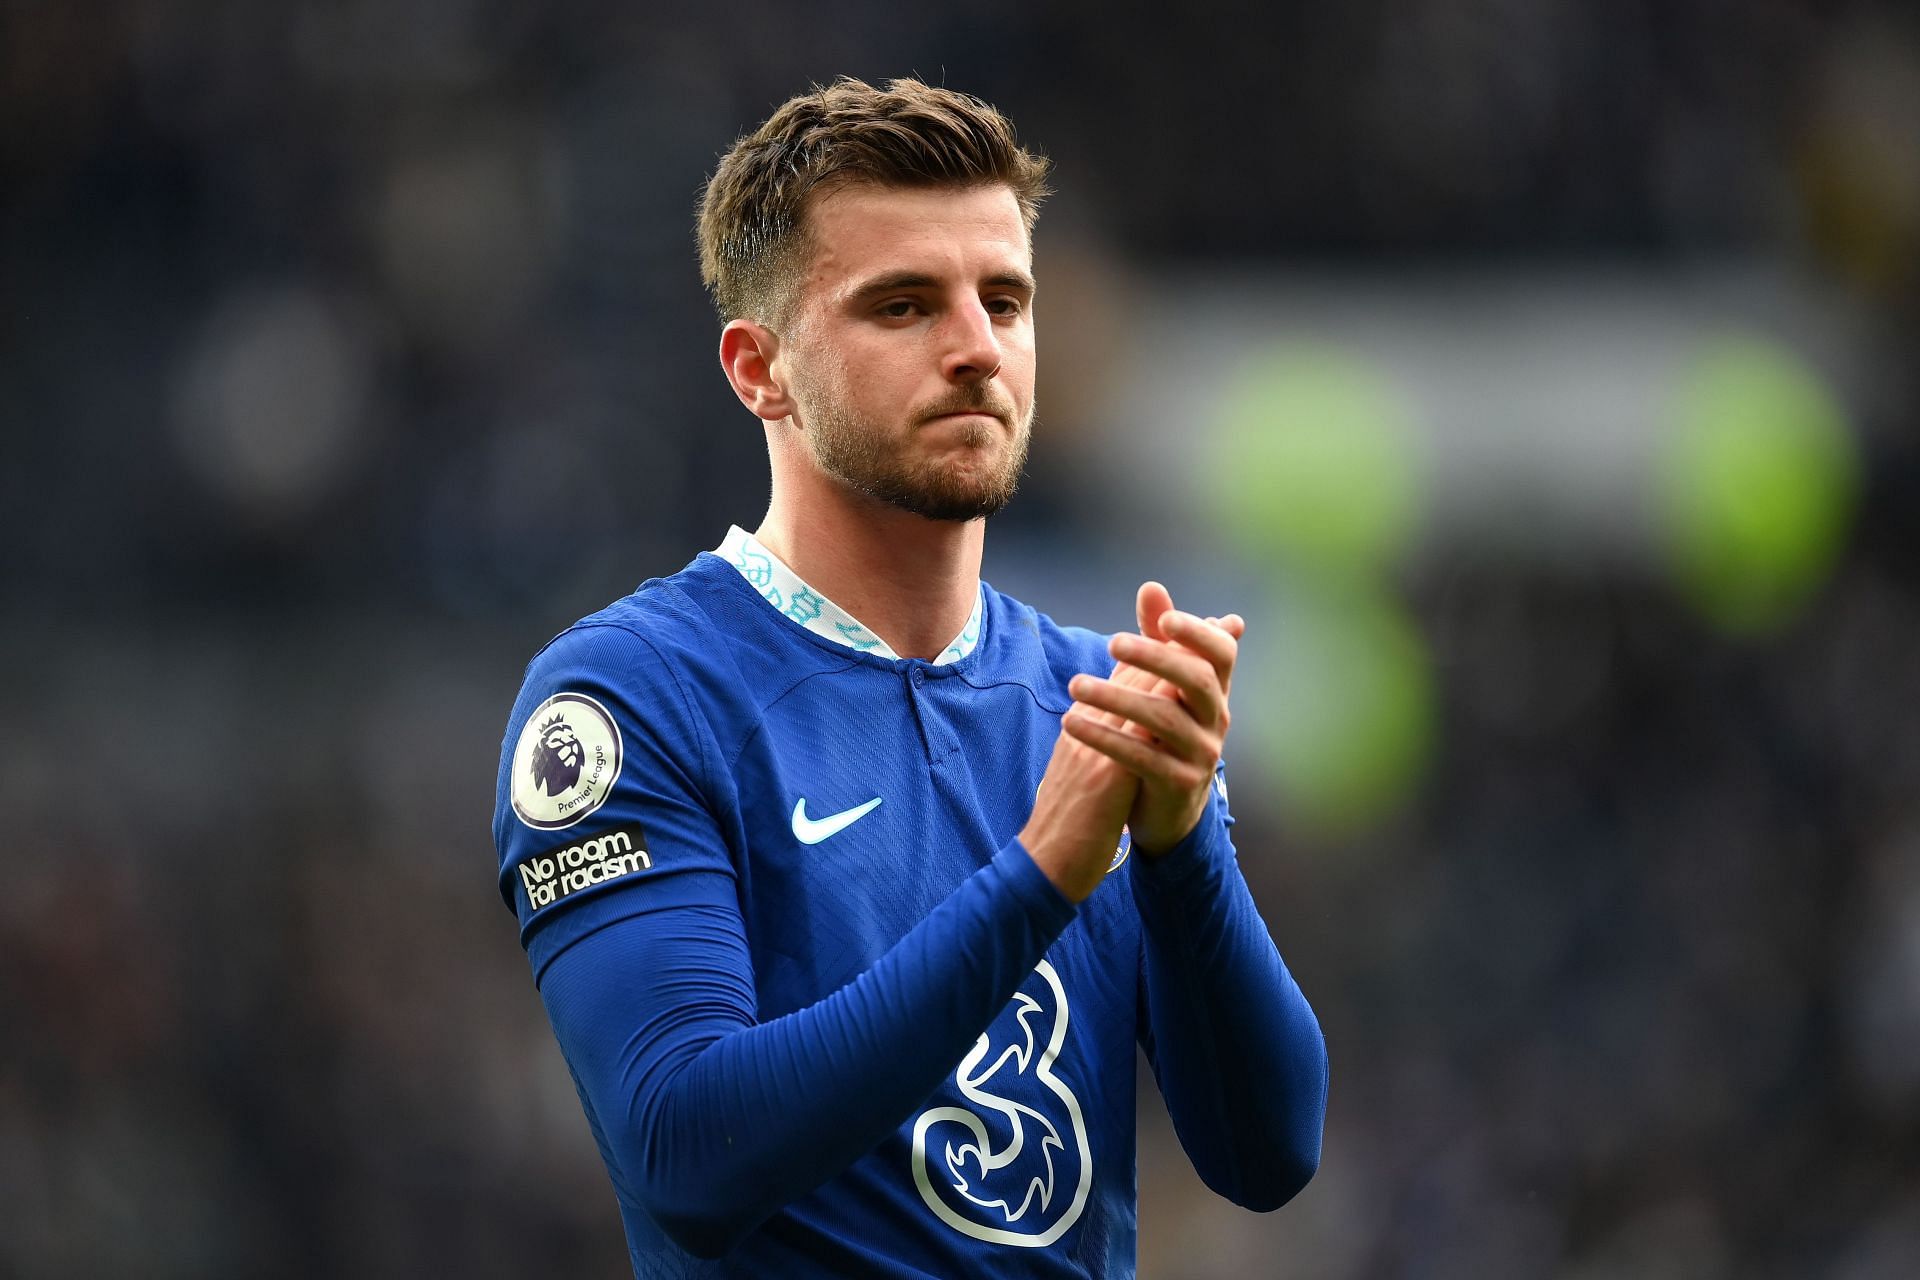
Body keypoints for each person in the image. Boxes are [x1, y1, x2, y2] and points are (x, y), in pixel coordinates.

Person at [491, 77, 1327, 1278]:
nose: (977, 348)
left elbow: (1268, 1152)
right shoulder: (631, 698)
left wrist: (1185, 838)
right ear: (758, 369)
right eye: (902, 305)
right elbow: (685, 1151)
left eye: (1005, 299)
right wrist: (1040, 876)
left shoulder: (1090, 699)